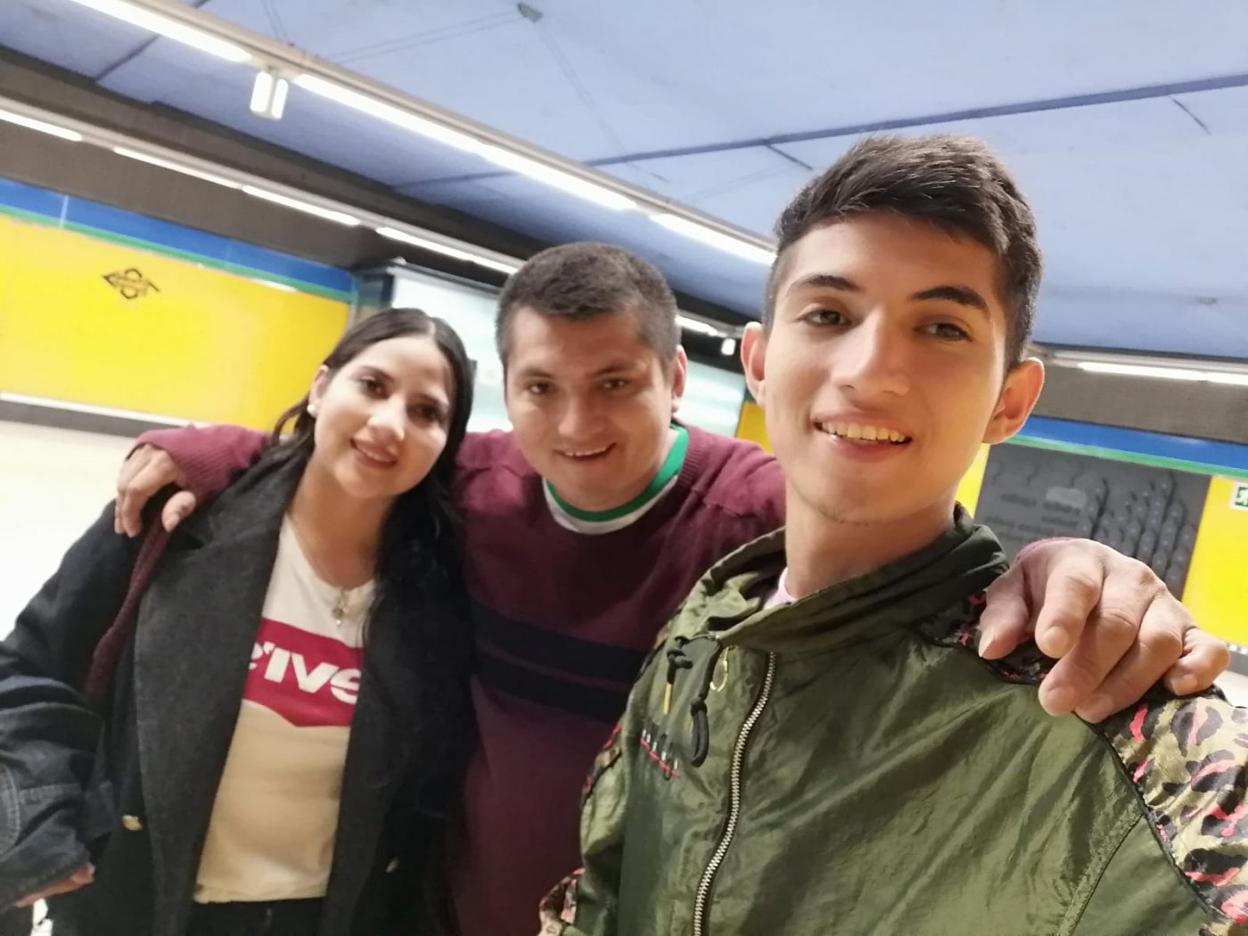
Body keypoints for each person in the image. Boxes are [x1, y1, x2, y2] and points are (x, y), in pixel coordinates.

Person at [111, 244, 1228, 936]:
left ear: (678, 378)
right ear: (509, 394)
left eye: (615, 383)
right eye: (540, 388)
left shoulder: (756, 515)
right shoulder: (476, 484)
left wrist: (1058, 561)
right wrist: (218, 453)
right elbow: (352, 456)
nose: (576, 424)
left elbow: (898, 531)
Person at [538, 135, 1248, 936]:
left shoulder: (1109, 717)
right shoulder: (707, 627)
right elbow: (601, 886)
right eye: (828, 315)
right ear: (759, 364)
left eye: (942, 328)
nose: (871, 371)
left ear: (1010, 402)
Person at [0, 309, 475, 936]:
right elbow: (31, 667)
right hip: (137, 903)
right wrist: (42, 812)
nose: (390, 424)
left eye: (426, 411)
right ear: (321, 387)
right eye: (373, 386)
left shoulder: (441, 591)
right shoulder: (177, 517)